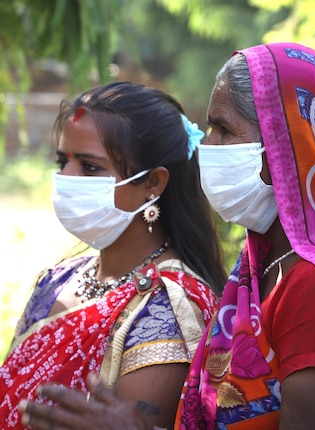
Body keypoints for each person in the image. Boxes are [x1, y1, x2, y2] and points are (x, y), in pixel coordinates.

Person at [17, 43, 315, 430]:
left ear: (289, 145)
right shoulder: (265, 267)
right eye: (209, 128)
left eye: (223, 129)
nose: (207, 146)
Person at [2, 81, 227, 430]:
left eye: (90, 168)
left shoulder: (169, 307)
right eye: (63, 161)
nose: (66, 178)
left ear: (153, 183)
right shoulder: (60, 278)